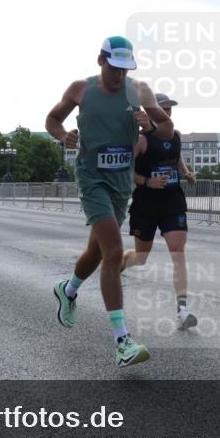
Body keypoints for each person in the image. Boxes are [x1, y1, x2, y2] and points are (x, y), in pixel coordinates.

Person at [46, 35, 174, 368]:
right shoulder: (80, 90)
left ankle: (68, 290)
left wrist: (152, 124)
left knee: (97, 250)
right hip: (91, 180)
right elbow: (52, 120)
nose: (119, 75)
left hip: (120, 184)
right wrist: (64, 136)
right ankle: (122, 342)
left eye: (124, 69)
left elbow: (168, 129)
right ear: (101, 61)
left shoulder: (140, 91)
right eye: (114, 68)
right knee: (114, 251)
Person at [121, 93, 198, 330]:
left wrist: (186, 172)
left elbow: (176, 158)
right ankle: (120, 263)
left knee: (178, 251)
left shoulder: (175, 135)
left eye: (170, 111)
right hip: (146, 203)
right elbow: (124, 169)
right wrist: (147, 181)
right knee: (141, 257)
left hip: (172, 201)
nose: (168, 115)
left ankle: (182, 310)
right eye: (163, 110)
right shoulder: (141, 140)